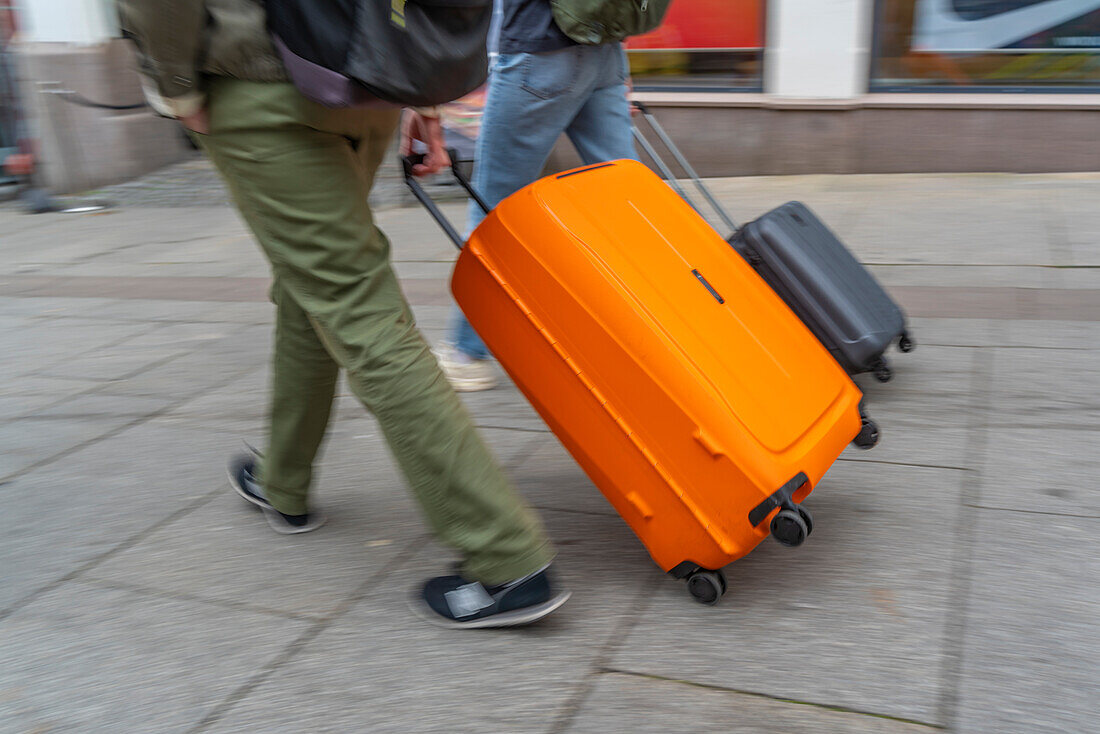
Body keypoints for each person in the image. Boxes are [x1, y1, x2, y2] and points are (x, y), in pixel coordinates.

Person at [116, 0, 569, 629]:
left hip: (259, 87)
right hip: (363, 82)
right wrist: (426, 100)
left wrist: (178, 88)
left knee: (356, 307)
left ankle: (506, 558)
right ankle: (284, 480)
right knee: (312, 282)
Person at [433, 0, 638, 392]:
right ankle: (653, 333)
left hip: (538, 50)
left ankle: (466, 352)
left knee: (493, 210)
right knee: (627, 204)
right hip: (605, 50)